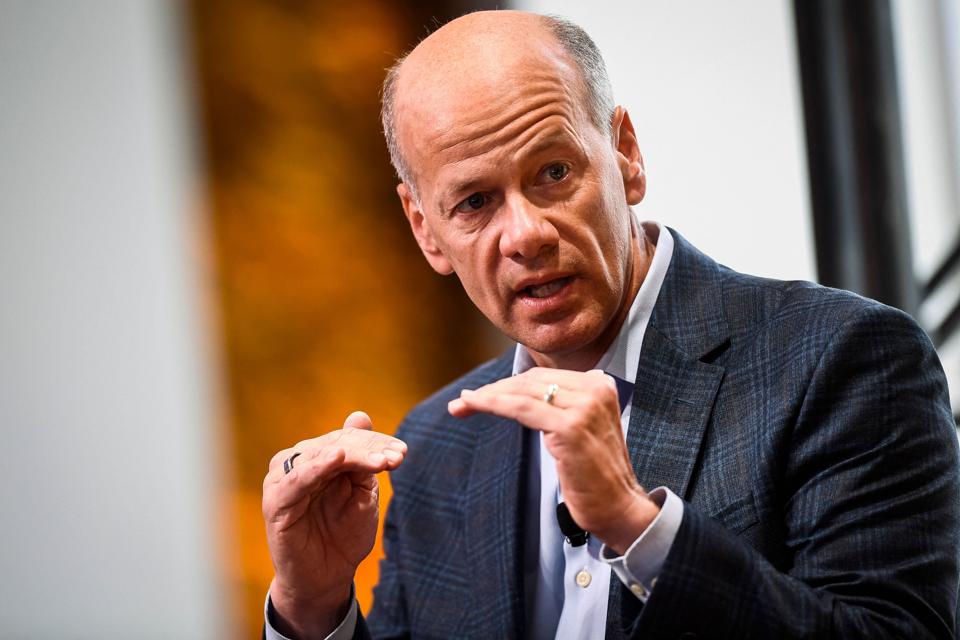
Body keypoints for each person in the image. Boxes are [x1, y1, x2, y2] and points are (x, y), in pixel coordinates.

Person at [261, 10, 960, 639]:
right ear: (426, 231)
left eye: (555, 171)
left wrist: (639, 525)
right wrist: (311, 606)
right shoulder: (436, 446)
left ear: (626, 155)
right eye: (474, 202)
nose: (526, 234)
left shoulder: (841, 359)